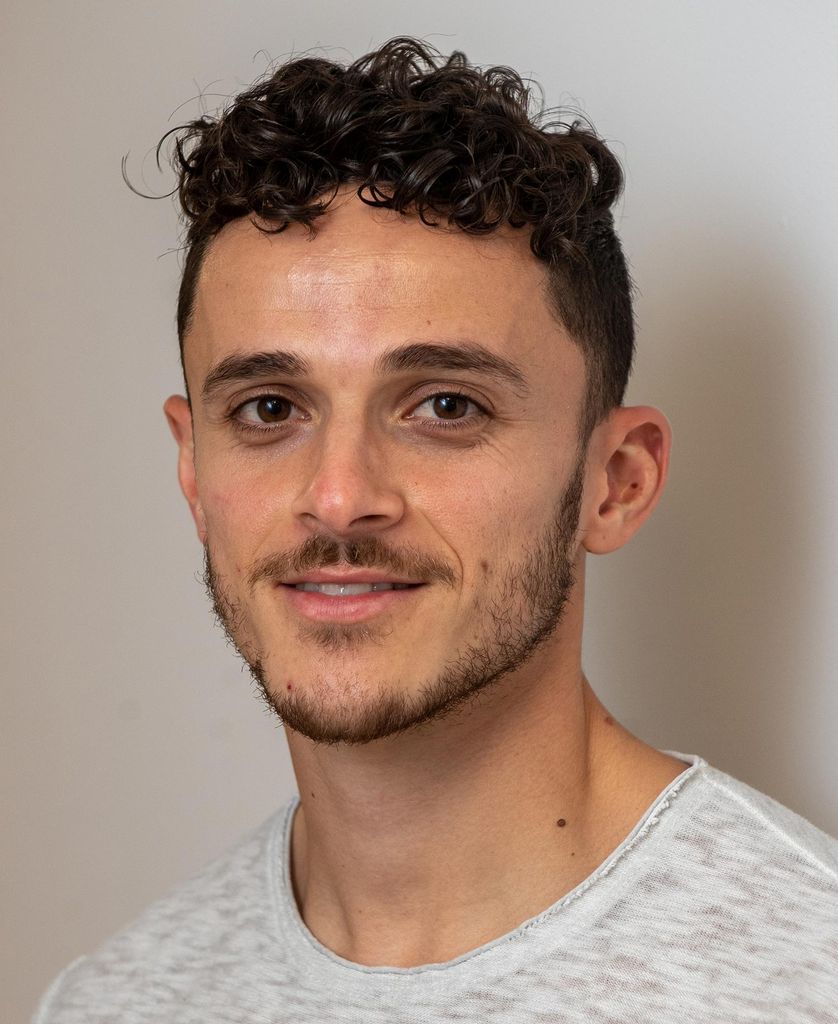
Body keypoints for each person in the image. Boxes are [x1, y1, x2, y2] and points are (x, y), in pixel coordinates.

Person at [34, 37, 837, 1023]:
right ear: (193, 470)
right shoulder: (104, 1004)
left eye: (445, 406)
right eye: (269, 410)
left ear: (615, 484)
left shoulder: (807, 972)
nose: (337, 497)